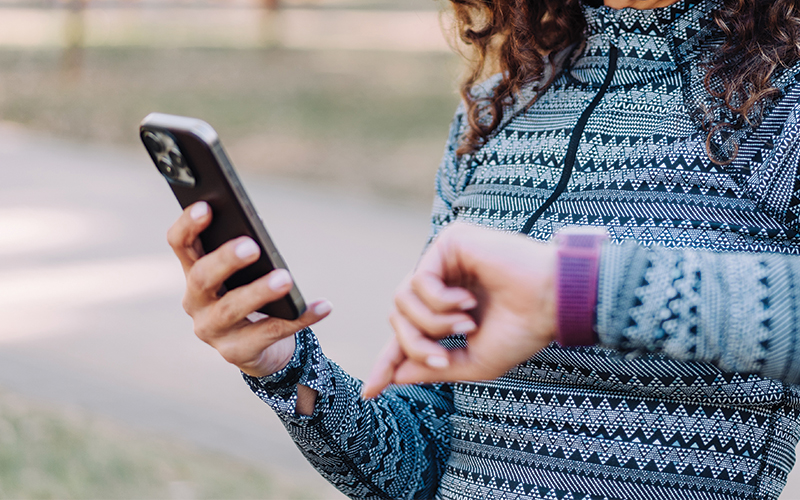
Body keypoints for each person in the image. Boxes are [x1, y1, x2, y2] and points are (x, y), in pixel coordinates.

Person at [166, 0, 800, 497]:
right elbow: (423, 456)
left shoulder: (782, 108)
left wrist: (582, 292)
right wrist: (287, 367)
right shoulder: (497, 108)